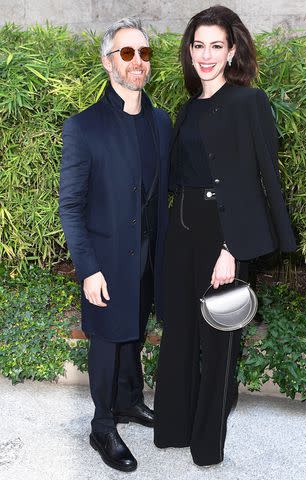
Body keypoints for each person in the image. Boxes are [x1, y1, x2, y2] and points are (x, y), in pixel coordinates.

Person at [153, 5, 297, 467]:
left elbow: (257, 179)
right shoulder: (188, 107)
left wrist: (232, 249)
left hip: (224, 234)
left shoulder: (248, 102)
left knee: (218, 340)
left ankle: (206, 445)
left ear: (232, 50)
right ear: (189, 51)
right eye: (199, 46)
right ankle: (172, 429)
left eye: (217, 46)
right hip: (182, 229)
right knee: (177, 333)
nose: (207, 55)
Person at [59, 17, 171, 473]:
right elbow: (70, 205)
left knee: (134, 332)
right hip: (105, 260)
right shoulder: (84, 127)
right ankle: (102, 424)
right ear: (110, 63)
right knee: (106, 341)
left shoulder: (161, 121)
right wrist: (87, 267)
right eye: (127, 53)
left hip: (149, 256)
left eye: (144, 53)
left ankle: (128, 402)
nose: (138, 62)